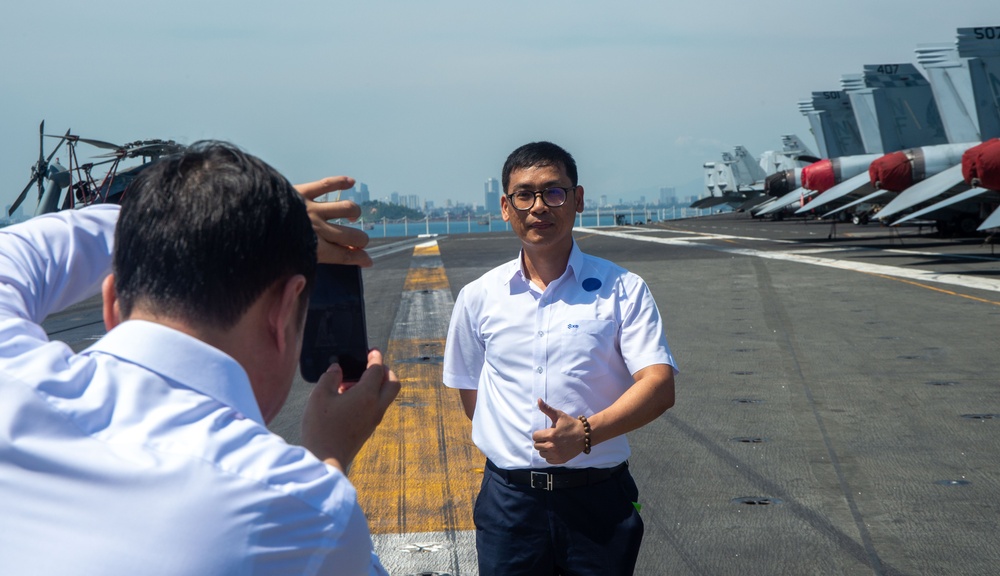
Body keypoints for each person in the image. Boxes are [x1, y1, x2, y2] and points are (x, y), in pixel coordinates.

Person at [0, 141, 399, 575]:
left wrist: (187, 231)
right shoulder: (302, 508)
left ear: (111, 301)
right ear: (285, 311)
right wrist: (329, 458)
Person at [443, 141, 677, 575]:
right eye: (524, 195)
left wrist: (585, 433)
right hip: (509, 506)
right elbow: (470, 393)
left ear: (578, 199)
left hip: (598, 500)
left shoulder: (624, 288)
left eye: (554, 192)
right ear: (505, 206)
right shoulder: (478, 297)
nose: (539, 207)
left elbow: (659, 385)